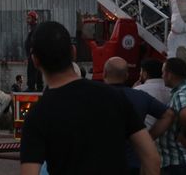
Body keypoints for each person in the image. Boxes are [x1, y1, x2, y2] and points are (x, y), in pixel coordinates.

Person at [19, 21, 160, 175]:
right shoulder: (115, 97)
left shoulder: (37, 116)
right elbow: (151, 158)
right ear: (73, 52)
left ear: (35, 60)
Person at [103, 57, 174, 175]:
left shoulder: (94, 96)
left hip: (103, 163)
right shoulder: (140, 96)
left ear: (104, 73)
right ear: (126, 75)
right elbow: (169, 115)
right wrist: (148, 138)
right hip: (135, 163)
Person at [134, 58, 171, 127]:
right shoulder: (171, 90)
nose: (140, 74)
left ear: (145, 74)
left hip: (144, 133)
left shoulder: (138, 90)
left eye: (141, 71)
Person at [25, 11, 43, 92]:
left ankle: (31, 87)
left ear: (33, 19)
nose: (27, 19)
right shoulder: (33, 28)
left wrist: (32, 50)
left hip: (34, 53)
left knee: (32, 70)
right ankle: (39, 87)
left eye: (29, 18)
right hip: (33, 54)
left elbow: (34, 41)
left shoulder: (36, 28)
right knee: (36, 70)